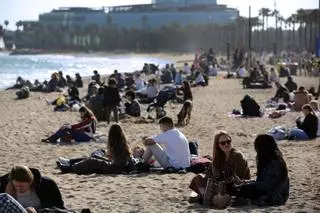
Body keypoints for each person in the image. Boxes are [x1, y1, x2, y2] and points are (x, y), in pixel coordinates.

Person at [189, 131, 250, 202]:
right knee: (198, 178)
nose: (226, 144)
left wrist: (221, 182)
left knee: (217, 192)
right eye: (223, 143)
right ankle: (205, 195)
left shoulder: (237, 156)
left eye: (228, 141)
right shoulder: (219, 157)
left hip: (235, 187)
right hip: (222, 185)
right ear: (218, 145)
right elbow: (211, 176)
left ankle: (205, 196)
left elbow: (238, 180)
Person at [236, 135, 289, 206]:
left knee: (245, 189)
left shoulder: (275, 162)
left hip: (276, 196)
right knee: (240, 189)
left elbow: (268, 185)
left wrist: (248, 185)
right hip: (268, 191)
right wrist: (247, 182)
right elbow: (260, 181)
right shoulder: (264, 160)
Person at [57, 124, 131, 175]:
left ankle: (69, 168)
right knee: (94, 157)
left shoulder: (116, 143)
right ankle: (70, 163)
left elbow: (113, 157)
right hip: (115, 165)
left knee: (92, 160)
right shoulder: (121, 141)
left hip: (114, 167)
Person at [0, 166, 65, 211]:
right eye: (16, 186)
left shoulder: (46, 184)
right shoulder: (3, 185)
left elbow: (59, 206)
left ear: (31, 182)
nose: (19, 189)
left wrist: (37, 211)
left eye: (22, 186)